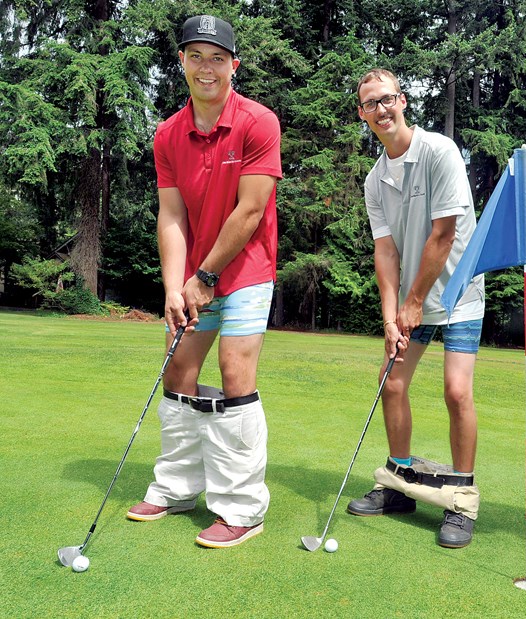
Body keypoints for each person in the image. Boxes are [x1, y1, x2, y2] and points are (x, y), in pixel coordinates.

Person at [126, 14, 282, 549]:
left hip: (245, 271)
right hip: (194, 276)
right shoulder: (168, 133)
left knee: (235, 372)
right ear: (182, 64)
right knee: (177, 371)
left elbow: (251, 209)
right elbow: (171, 216)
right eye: (196, 56)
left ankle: (242, 507)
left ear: (233, 65)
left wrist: (206, 276)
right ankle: (176, 487)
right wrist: (176, 287)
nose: (206, 67)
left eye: (217, 58)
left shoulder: (259, 122)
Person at [345, 68, 486, 548]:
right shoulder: (374, 180)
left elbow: (443, 235)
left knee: (455, 391)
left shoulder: (439, 151)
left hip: (458, 292)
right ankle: (400, 484)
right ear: (362, 114)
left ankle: (462, 498)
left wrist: (412, 302)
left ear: (402, 101)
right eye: (370, 104)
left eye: (387, 100)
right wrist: (391, 315)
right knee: (392, 382)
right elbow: (385, 251)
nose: (380, 110)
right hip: (409, 298)